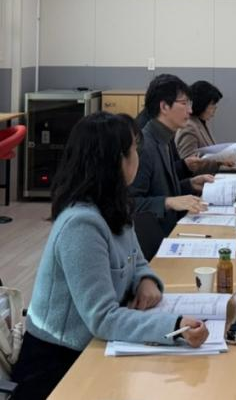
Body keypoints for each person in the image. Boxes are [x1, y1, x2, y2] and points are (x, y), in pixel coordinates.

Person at [10, 112, 209, 400]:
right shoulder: (81, 224)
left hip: (96, 347)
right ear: (117, 161)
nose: (138, 157)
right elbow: (102, 318)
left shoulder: (113, 206)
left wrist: (146, 281)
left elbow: (137, 260)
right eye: (134, 150)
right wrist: (174, 326)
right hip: (60, 365)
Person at [129, 74, 213, 239]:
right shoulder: (144, 146)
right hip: (155, 238)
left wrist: (190, 184)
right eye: (184, 103)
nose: (190, 110)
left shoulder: (165, 138)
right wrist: (168, 202)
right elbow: (129, 203)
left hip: (172, 229)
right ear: (164, 107)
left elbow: (160, 189)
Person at [175, 80, 234, 174]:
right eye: (212, 104)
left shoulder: (202, 122)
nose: (215, 108)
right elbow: (188, 165)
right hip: (198, 180)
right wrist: (219, 163)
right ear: (202, 103)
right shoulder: (189, 127)